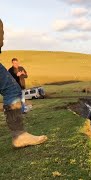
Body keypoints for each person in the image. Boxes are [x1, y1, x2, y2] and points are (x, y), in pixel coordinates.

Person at [0, 19, 47, 148]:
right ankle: (19, 135)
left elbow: (26, 74)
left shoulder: (21, 68)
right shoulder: (11, 70)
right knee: (11, 90)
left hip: (22, 86)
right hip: (16, 87)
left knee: (16, 94)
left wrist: (22, 75)